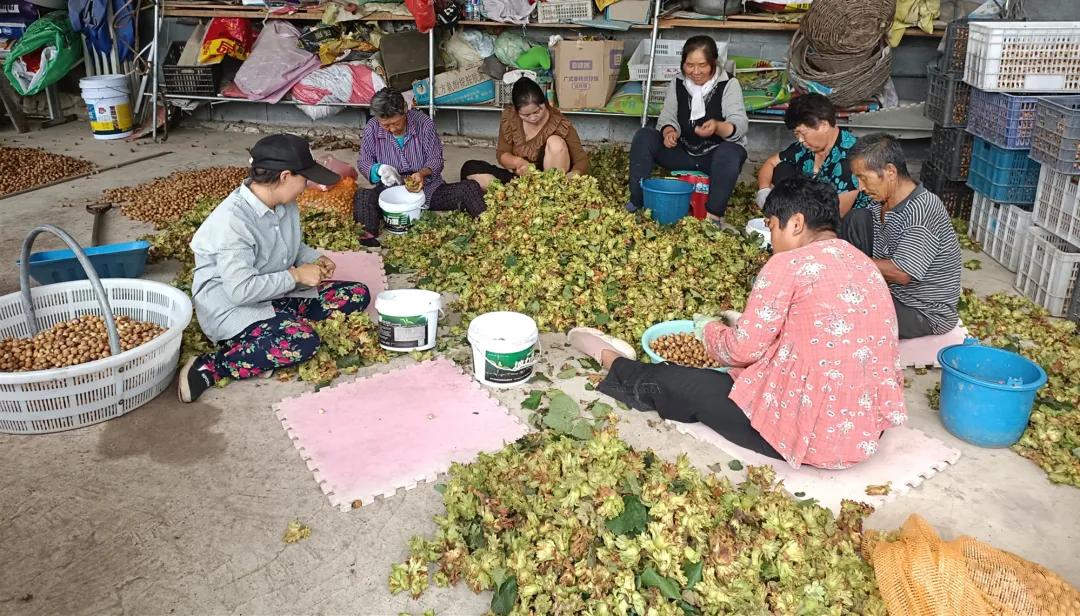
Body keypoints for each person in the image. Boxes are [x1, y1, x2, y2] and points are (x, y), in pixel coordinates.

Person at [568, 177, 906, 470]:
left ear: (797, 223)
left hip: (810, 437)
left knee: (676, 381)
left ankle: (611, 359)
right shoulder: (863, 262)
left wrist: (707, 332)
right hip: (862, 433)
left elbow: (741, 351)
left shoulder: (786, 264)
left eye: (773, 226)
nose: (772, 238)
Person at [178, 133, 372, 403]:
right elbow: (240, 291)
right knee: (303, 342)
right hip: (236, 307)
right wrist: (296, 275)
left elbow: (290, 244)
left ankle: (275, 329)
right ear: (284, 176)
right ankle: (212, 366)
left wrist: (314, 258)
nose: (306, 186)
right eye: (304, 179)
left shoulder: (284, 202)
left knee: (357, 294)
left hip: (275, 294)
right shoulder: (234, 222)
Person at [849, 133, 962, 339]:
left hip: (923, 310)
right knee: (858, 218)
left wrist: (846, 262)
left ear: (890, 171)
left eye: (864, 178)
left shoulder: (922, 210)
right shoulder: (879, 202)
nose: (861, 187)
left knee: (844, 314)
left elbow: (901, 274)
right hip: (891, 292)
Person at [628, 36, 749, 222]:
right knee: (644, 136)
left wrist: (717, 127)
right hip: (682, 151)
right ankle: (637, 203)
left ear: (713, 63)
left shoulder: (729, 84)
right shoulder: (678, 82)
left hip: (713, 158)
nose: (695, 72)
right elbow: (667, 116)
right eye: (689, 65)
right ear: (683, 63)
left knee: (730, 152)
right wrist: (669, 131)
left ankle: (713, 216)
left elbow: (739, 124)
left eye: (702, 65)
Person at [354, 88, 486, 246]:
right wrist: (379, 170)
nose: (393, 129)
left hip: (429, 189)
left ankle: (489, 226)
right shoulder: (372, 127)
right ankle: (368, 240)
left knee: (469, 188)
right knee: (362, 197)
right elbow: (364, 161)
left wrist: (422, 174)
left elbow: (436, 159)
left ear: (404, 109)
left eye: (396, 123)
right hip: (392, 192)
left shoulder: (423, 123)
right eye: (386, 126)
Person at [756, 93, 875, 255]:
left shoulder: (850, 155)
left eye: (802, 133)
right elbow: (770, 163)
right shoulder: (807, 147)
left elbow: (834, 213)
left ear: (824, 125)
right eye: (796, 135)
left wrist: (788, 217)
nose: (800, 140)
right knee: (783, 167)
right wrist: (764, 190)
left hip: (836, 225)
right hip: (803, 212)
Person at [460, 77, 589, 189]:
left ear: (544, 103)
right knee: (470, 167)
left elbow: (582, 160)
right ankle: (517, 193)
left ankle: (548, 195)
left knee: (555, 143)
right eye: (526, 115)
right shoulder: (510, 118)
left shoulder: (560, 123)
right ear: (516, 111)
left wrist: (573, 174)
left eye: (537, 111)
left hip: (549, 183)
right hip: (521, 180)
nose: (533, 118)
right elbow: (502, 153)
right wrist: (519, 163)